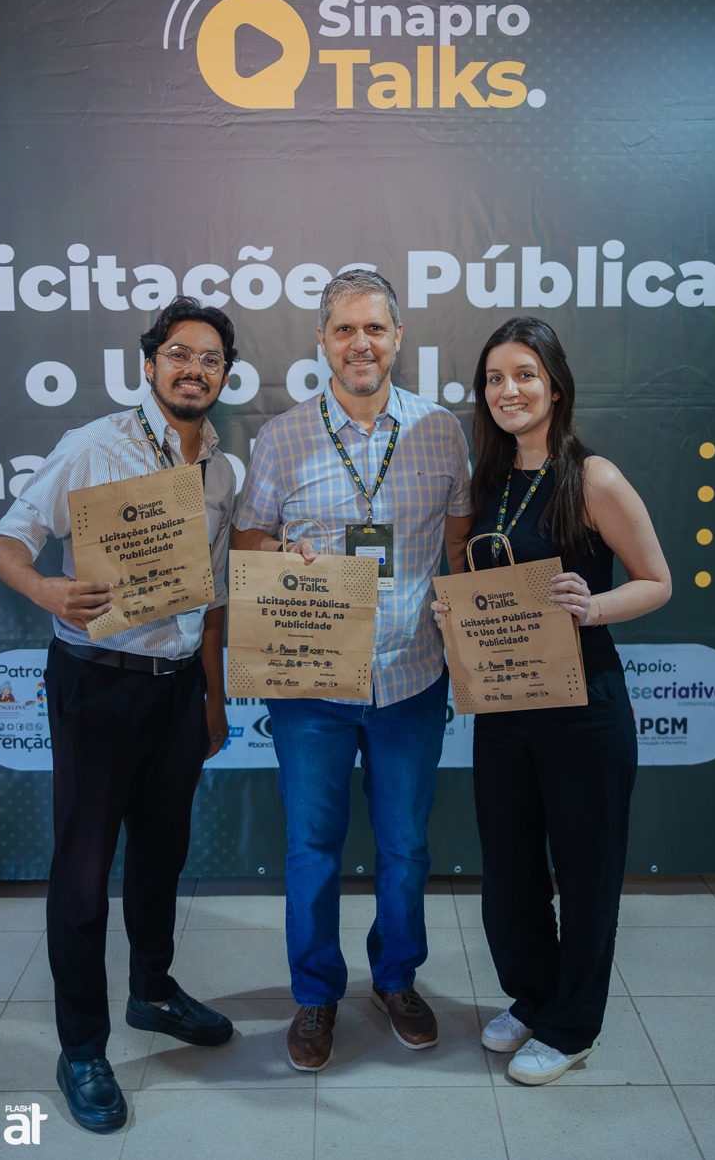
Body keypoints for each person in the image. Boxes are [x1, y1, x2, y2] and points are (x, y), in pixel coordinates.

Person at [0, 295, 239, 1132]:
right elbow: (7, 539)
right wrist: (45, 588)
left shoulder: (225, 473)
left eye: (209, 359)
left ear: (224, 376)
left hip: (176, 689)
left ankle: (152, 993)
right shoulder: (92, 446)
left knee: (161, 858)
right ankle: (82, 1048)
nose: (194, 369)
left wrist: (213, 694)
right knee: (84, 872)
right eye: (180, 354)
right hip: (95, 683)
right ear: (150, 363)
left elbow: (211, 601)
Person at [232, 269, 473, 1071]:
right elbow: (247, 542)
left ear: (397, 337)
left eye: (374, 328)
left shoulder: (440, 431)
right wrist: (285, 552)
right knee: (312, 848)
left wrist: (472, 622)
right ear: (321, 341)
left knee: (405, 847)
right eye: (344, 329)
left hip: (411, 679)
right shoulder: (281, 437)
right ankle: (314, 995)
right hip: (311, 688)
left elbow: (459, 538)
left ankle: (396, 979)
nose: (359, 344)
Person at [433, 316, 671, 1086]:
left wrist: (592, 606)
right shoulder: (489, 481)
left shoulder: (593, 477)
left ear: (555, 386)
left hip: (583, 710)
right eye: (494, 379)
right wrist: (454, 613)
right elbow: (481, 585)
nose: (508, 390)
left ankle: (571, 1028)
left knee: (586, 874)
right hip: (505, 710)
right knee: (510, 875)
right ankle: (533, 998)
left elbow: (655, 581)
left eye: (524, 375)